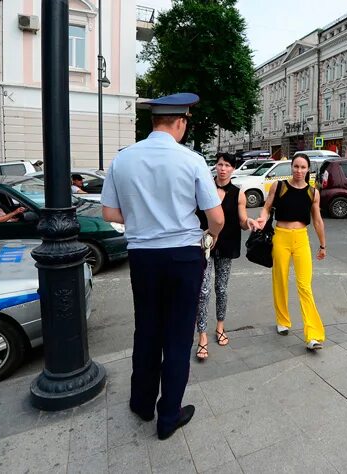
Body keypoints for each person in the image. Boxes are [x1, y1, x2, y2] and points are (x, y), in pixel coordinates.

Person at [101, 92, 224, 440]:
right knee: (178, 335)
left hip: (143, 258)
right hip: (183, 255)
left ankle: (141, 403)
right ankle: (168, 416)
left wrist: (142, 220)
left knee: (147, 330)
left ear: (153, 122)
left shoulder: (123, 159)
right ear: (181, 122)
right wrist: (208, 238)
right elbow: (216, 217)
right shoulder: (191, 160)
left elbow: (109, 213)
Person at [254, 154, 327, 350]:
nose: (299, 171)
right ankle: (283, 321)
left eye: (303, 167)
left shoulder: (313, 192)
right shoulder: (279, 186)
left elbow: (318, 220)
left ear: (308, 170)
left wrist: (322, 245)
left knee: (305, 285)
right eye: (296, 166)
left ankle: (312, 335)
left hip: (301, 238)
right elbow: (267, 207)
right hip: (281, 237)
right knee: (280, 280)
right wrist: (261, 218)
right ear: (291, 167)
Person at [195, 152, 256, 360]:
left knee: (221, 288)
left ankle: (220, 326)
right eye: (220, 164)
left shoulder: (238, 193)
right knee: (202, 290)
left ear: (233, 169)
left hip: (227, 244)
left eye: (227, 165)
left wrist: (249, 223)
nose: (222, 168)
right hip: (205, 244)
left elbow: (242, 219)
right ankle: (202, 335)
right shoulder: (204, 188)